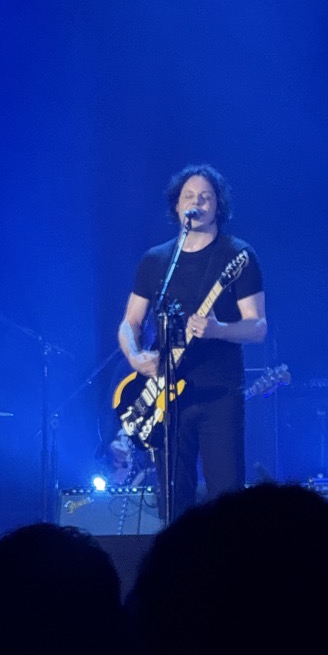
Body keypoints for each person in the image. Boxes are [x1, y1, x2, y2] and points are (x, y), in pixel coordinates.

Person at [117, 164, 266, 521]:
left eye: (205, 197)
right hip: (167, 401)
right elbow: (130, 322)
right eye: (189, 196)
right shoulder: (156, 261)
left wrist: (219, 330)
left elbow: (257, 327)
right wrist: (137, 357)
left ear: (218, 206)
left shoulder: (239, 256)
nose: (196, 202)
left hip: (219, 394)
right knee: (173, 499)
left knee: (226, 499)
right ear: (177, 205)